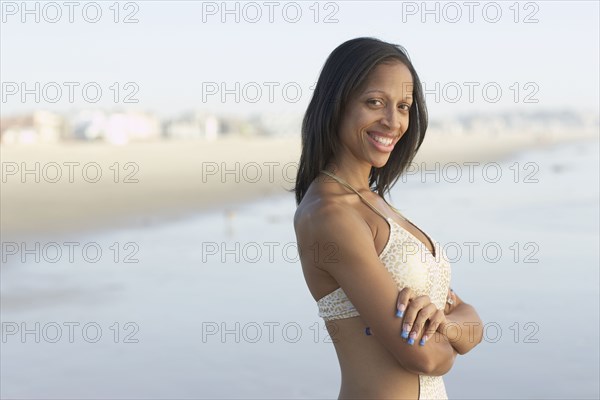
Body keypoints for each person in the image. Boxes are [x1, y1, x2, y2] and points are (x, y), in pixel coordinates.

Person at [293, 37, 483, 399]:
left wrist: (448, 328)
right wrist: (450, 339)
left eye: (404, 106)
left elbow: (473, 327)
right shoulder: (329, 215)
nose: (393, 121)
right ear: (337, 104)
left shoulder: (375, 204)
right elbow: (425, 357)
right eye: (374, 102)